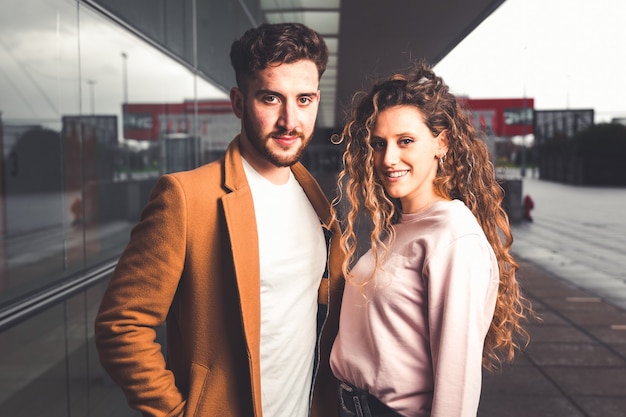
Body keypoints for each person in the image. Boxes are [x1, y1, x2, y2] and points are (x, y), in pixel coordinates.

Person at [95, 22, 344, 417]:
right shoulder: (186, 198)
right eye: (270, 98)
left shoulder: (317, 202)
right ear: (238, 102)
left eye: (304, 99)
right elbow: (121, 326)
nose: (289, 120)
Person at [329, 62, 531, 417]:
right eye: (379, 144)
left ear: (442, 143)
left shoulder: (452, 238)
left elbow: (457, 383)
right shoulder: (405, 223)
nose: (388, 159)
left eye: (405, 141)